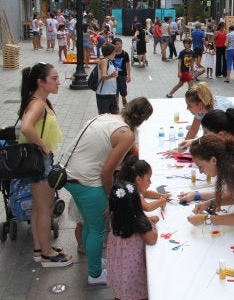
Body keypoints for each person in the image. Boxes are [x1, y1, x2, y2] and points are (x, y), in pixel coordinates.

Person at [64, 97, 154, 285]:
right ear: (143, 119)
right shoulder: (127, 134)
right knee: (97, 229)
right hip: (87, 180)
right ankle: (95, 275)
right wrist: (109, 197)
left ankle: (94, 262)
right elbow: (107, 172)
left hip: (69, 175)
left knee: (89, 224)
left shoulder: (107, 117)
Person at [19, 63, 73, 267]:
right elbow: (26, 127)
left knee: (38, 208)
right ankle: (47, 254)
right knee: (45, 209)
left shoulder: (39, 100)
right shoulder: (38, 103)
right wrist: (44, 146)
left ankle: (38, 249)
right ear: (40, 82)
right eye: (54, 78)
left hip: (37, 161)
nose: (59, 81)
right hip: (40, 162)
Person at [107, 180, 158, 299]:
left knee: (122, 291)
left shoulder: (115, 218)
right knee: (135, 294)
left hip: (119, 268)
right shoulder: (139, 223)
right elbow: (152, 239)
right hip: (133, 273)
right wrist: (151, 224)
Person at [96, 43, 119, 115]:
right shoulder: (104, 61)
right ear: (112, 52)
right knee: (104, 118)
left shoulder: (110, 62)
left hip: (111, 94)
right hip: (104, 95)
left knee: (114, 116)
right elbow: (103, 76)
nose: (116, 52)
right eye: (115, 51)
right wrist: (112, 75)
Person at [113, 38, 131, 108]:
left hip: (122, 76)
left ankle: (124, 99)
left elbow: (128, 65)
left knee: (123, 91)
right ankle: (117, 107)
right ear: (114, 45)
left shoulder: (124, 54)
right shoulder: (112, 54)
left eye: (120, 43)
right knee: (116, 92)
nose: (119, 45)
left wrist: (129, 76)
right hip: (114, 76)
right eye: (117, 44)